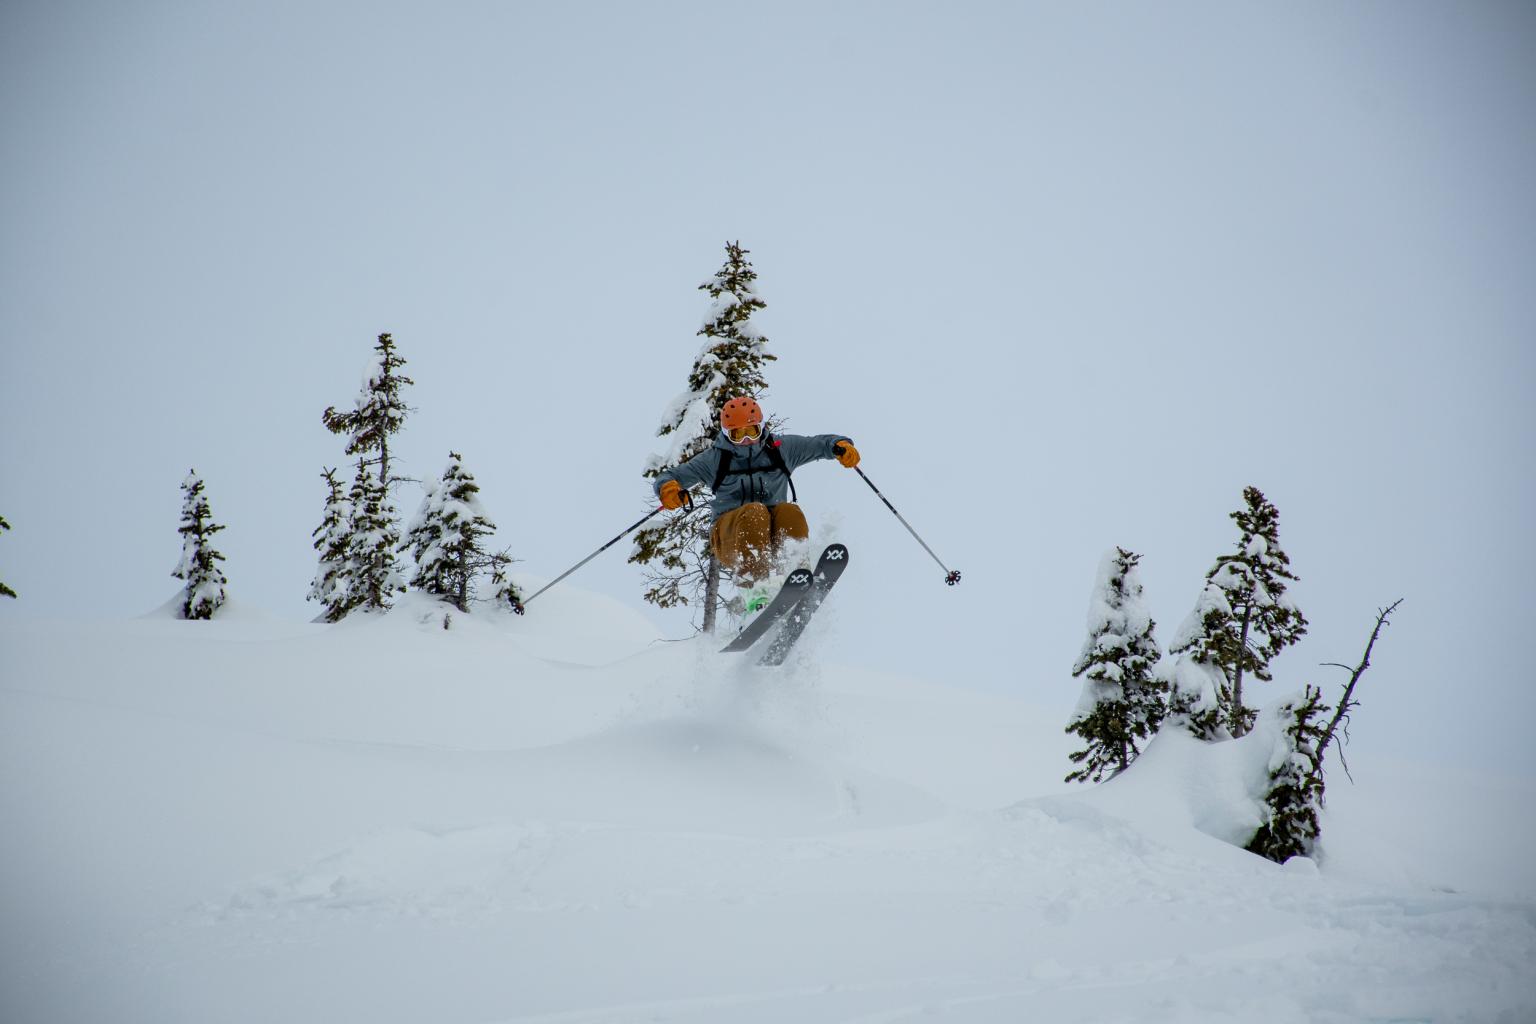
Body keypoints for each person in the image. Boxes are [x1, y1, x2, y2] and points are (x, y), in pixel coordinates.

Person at [654, 396, 859, 609]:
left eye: (751, 431)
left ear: (761, 427)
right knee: (755, 511)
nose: (745, 440)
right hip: (729, 536)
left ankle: (796, 577)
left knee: (789, 511)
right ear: (726, 434)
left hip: (771, 533)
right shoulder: (714, 460)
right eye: (737, 434)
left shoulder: (781, 449)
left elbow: (819, 444)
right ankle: (755, 592)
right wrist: (668, 489)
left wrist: (839, 446)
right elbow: (670, 476)